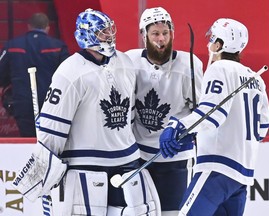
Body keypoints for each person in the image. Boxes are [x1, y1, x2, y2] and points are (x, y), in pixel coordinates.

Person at [12, 8, 161, 216]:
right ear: (87, 34)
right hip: (86, 166)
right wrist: (42, 177)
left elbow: (131, 115)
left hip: (127, 162)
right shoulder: (69, 71)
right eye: (103, 31)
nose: (110, 35)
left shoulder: (125, 63)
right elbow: (52, 130)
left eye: (110, 29)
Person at [159, 18, 269, 216]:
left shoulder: (219, 69)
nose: (209, 43)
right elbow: (262, 128)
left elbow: (212, 114)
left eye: (212, 38)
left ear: (220, 44)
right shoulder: (256, 79)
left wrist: (177, 126)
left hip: (216, 169)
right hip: (241, 177)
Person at [125, 7, 203, 215]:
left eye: (165, 33)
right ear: (144, 36)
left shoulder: (190, 65)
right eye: (155, 34)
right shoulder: (129, 62)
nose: (161, 39)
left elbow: (201, 110)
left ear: (172, 34)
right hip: (137, 156)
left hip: (175, 157)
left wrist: (187, 131)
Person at [0, 12, 70, 137]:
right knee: (50, 139)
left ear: (29, 26)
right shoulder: (58, 46)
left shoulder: (12, 45)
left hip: (22, 102)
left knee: (28, 141)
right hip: (52, 103)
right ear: (47, 27)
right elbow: (69, 76)